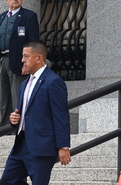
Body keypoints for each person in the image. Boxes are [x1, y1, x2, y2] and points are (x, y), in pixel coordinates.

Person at [0, 40, 71, 184]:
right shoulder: (25, 83)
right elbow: (25, 112)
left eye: (26, 56)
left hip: (42, 147)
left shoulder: (53, 82)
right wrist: (15, 119)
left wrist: (63, 146)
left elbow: (61, 116)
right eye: (22, 56)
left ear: (38, 58)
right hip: (21, 145)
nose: (22, 60)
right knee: (7, 181)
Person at [0, 0, 40, 127]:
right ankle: (5, 128)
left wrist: (28, 62)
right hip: (2, 61)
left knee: (17, 95)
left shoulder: (29, 16)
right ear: (7, 0)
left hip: (18, 61)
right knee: (3, 97)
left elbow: (33, 42)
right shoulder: (2, 17)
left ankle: (18, 127)